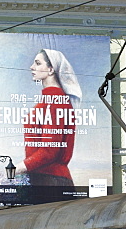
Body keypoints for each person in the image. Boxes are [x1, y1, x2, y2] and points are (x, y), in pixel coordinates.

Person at [23, 49, 82, 187]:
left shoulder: (56, 101)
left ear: (50, 70)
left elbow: (49, 151)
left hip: (50, 181)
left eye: (37, 63)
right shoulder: (50, 99)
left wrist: (17, 169)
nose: (32, 67)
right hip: (46, 179)